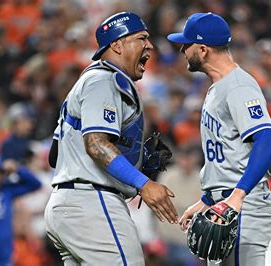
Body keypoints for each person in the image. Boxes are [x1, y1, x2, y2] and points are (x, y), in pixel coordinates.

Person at [44, 12, 178, 266]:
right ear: (117, 45)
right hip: (91, 202)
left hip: (68, 203)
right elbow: (95, 144)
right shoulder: (103, 80)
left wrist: (131, 156)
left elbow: (55, 156)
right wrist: (143, 183)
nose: (149, 45)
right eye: (142, 38)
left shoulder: (90, 80)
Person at [167, 13, 271, 265]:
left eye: (187, 44)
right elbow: (229, 154)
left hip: (244, 206)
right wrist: (207, 200)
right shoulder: (219, 86)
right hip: (223, 204)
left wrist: (236, 197)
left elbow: (268, 141)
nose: (183, 50)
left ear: (204, 50)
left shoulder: (239, 87)